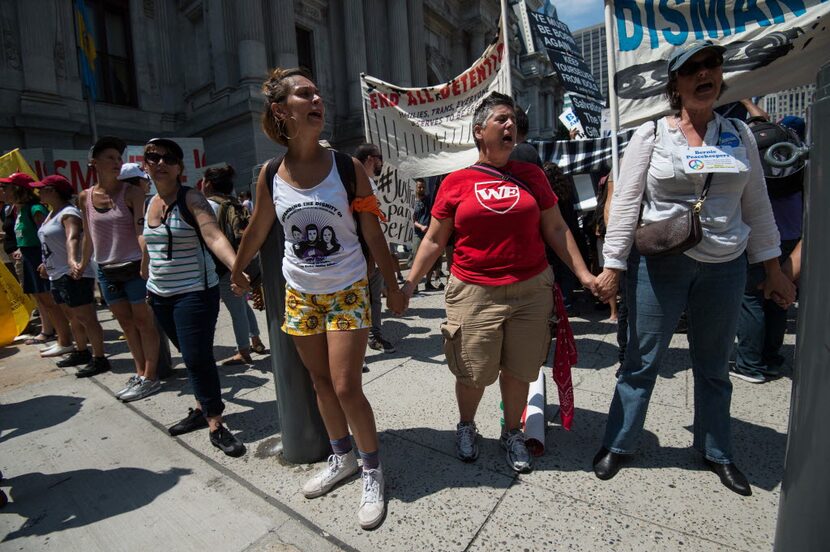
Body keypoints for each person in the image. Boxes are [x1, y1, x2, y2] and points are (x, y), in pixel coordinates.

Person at [592, 41, 796, 496]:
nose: (705, 74)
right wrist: (613, 267)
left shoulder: (740, 135)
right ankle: (619, 443)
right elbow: (625, 205)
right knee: (641, 361)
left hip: (725, 267)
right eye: (693, 70)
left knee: (713, 366)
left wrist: (774, 270)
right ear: (676, 85)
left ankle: (717, 451)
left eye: (712, 66)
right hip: (661, 265)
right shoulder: (651, 135)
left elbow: (757, 205)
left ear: (721, 77)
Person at [232, 67, 405, 529]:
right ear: (281, 111)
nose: (317, 100)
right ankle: (342, 456)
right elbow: (258, 230)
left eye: (318, 93)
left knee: (347, 385)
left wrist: (392, 284)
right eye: (304, 94)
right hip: (300, 295)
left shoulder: (347, 168)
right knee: (321, 384)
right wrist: (236, 269)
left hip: (347, 289)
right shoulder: (271, 174)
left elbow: (373, 230)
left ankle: (372, 469)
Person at [403, 92, 596, 474]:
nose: (511, 126)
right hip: (473, 292)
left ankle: (512, 432)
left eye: (513, 121)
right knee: (473, 371)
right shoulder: (456, 182)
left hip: (530, 291)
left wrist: (584, 274)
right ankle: (466, 425)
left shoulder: (534, 176)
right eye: (501, 120)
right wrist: (409, 283)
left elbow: (556, 228)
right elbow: (434, 239)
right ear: (480, 131)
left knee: (521, 370)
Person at [141, 137, 245, 457]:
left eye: (168, 158)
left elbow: (213, 235)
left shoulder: (192, 198)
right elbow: (149, 242)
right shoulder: (150, 201)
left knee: (198, 358)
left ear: (179, 168)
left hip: (194, 294)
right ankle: (202, 409)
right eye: (153, 157)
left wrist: (236, 268)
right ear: (145, 164)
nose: (160, 162)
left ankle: (215, 423)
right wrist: (146, 274)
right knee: (190, 356)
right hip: (160, 295)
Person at [76, 136, 161, 390]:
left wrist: (146, 262)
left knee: (144, 322)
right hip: (105, 269)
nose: (116, 162)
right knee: (126, 324)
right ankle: (139, 372)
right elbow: (88, 234)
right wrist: (81, 263)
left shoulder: (132, 192)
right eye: (110, 158)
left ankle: (151, 376)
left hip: (133, 266)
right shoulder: (85, 197)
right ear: (94, 162)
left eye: (118, 158)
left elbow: (141, 230)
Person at [732, 115, 805, 383]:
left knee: (751, 299)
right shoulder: (798, 162)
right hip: (792, 238)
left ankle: (750, 363)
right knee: (778, 299)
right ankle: (771, 358)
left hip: (756, 238)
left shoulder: (752, 161)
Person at [33, 175, 109, 373]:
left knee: (86, 317)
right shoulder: (52, 213)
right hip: (56, 273)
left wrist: (74, 261)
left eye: (43, 189)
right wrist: (46, 263)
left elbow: (73, 237)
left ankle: (99, 357)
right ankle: (81, 350)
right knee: (72, 317)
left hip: (73, 273)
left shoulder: (69, 213)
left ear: (55, 191)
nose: (38, 192)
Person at [202, 164, 266, 364]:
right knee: (241, 305)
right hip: (240, 261)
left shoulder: (209, 206)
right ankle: (255, 339)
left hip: (222, 266)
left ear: (208, 184)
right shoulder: (232, 203)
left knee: (236, 309)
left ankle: (243, 351)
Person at [5, 172, 73, 356]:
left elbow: (46, 237)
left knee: (51, 301)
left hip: (39, 257)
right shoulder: (18, 209)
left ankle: (65, 339)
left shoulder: (35, 209)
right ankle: (60, 337)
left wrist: (44, 261)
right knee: (42, 300)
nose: (4, 191)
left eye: (7, 188)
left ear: (19, 189)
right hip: (29, 257)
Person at [354, 143, 396, 354]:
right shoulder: (359, 183)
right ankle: (359, 346)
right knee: (362, 299)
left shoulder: (370, 183)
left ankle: (374, 336)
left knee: (374, 298)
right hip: (366, 252)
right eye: (379, 158)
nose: (381, 163)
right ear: (370, 159)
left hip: (374, 250)